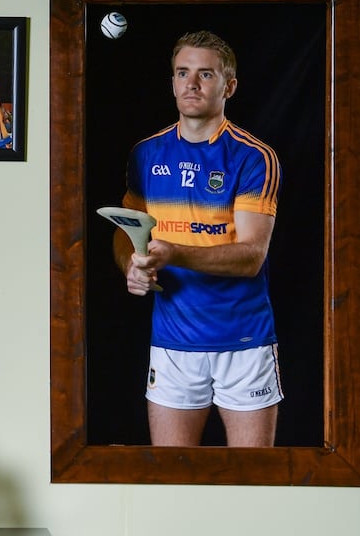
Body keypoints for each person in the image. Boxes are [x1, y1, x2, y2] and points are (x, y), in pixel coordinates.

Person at [110, 30, 283, 447]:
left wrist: (171, 254)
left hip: (244, 342)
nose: (192, 84)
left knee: (254, 484)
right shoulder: (146, 154)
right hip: (173, 343)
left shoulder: (253, 156)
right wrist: (130, 267)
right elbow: (127, 229)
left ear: (230, 85)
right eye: (182, 73)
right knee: (172, 483)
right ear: (171, 82)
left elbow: (250, 257)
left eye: (206, 74)